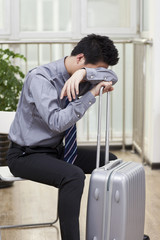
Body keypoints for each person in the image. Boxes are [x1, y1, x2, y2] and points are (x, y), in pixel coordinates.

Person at [7, 34, 119, 240]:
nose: (98, 74)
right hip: (24, 155)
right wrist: (90, 95)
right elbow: (57, 122)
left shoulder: (84, 73)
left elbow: (112, 77)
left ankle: (112, 231)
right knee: (73, 176)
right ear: (80, 58)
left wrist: (84, 73)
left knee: (109, 162)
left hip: (56, 150)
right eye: (95, 69)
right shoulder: (41, 79)